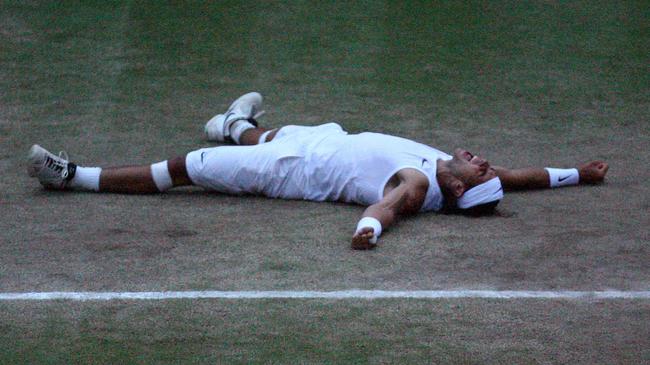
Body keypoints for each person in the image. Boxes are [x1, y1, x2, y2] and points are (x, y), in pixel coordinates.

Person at [27, 92, 609, 250]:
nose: (486, 162)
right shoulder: (460, 176)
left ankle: (73, 175)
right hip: (325, 142)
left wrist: (369, 230)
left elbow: (389, 205)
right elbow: (521, 177)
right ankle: (233, 123)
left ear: (456, 186)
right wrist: (577, 174)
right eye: (486, 168)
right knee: (273, 130)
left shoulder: (422, 183)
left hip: (292, 172)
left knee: (185, 168)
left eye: (480, 170)